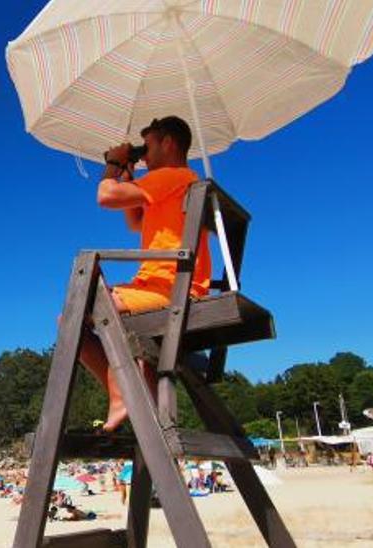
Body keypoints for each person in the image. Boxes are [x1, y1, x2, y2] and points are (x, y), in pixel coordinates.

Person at [73, 116, 213, 431]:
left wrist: (111, 164)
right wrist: (128, 175)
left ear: (168, 143)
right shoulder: (177, 182)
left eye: (147, 146)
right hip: (165, 286)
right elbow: (135, 221)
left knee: (74, 316)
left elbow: (105, 197)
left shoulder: (173, 174)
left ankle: (125, 393)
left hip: (168, 289)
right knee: (72, 318)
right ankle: (127, 388)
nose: (144, 154)